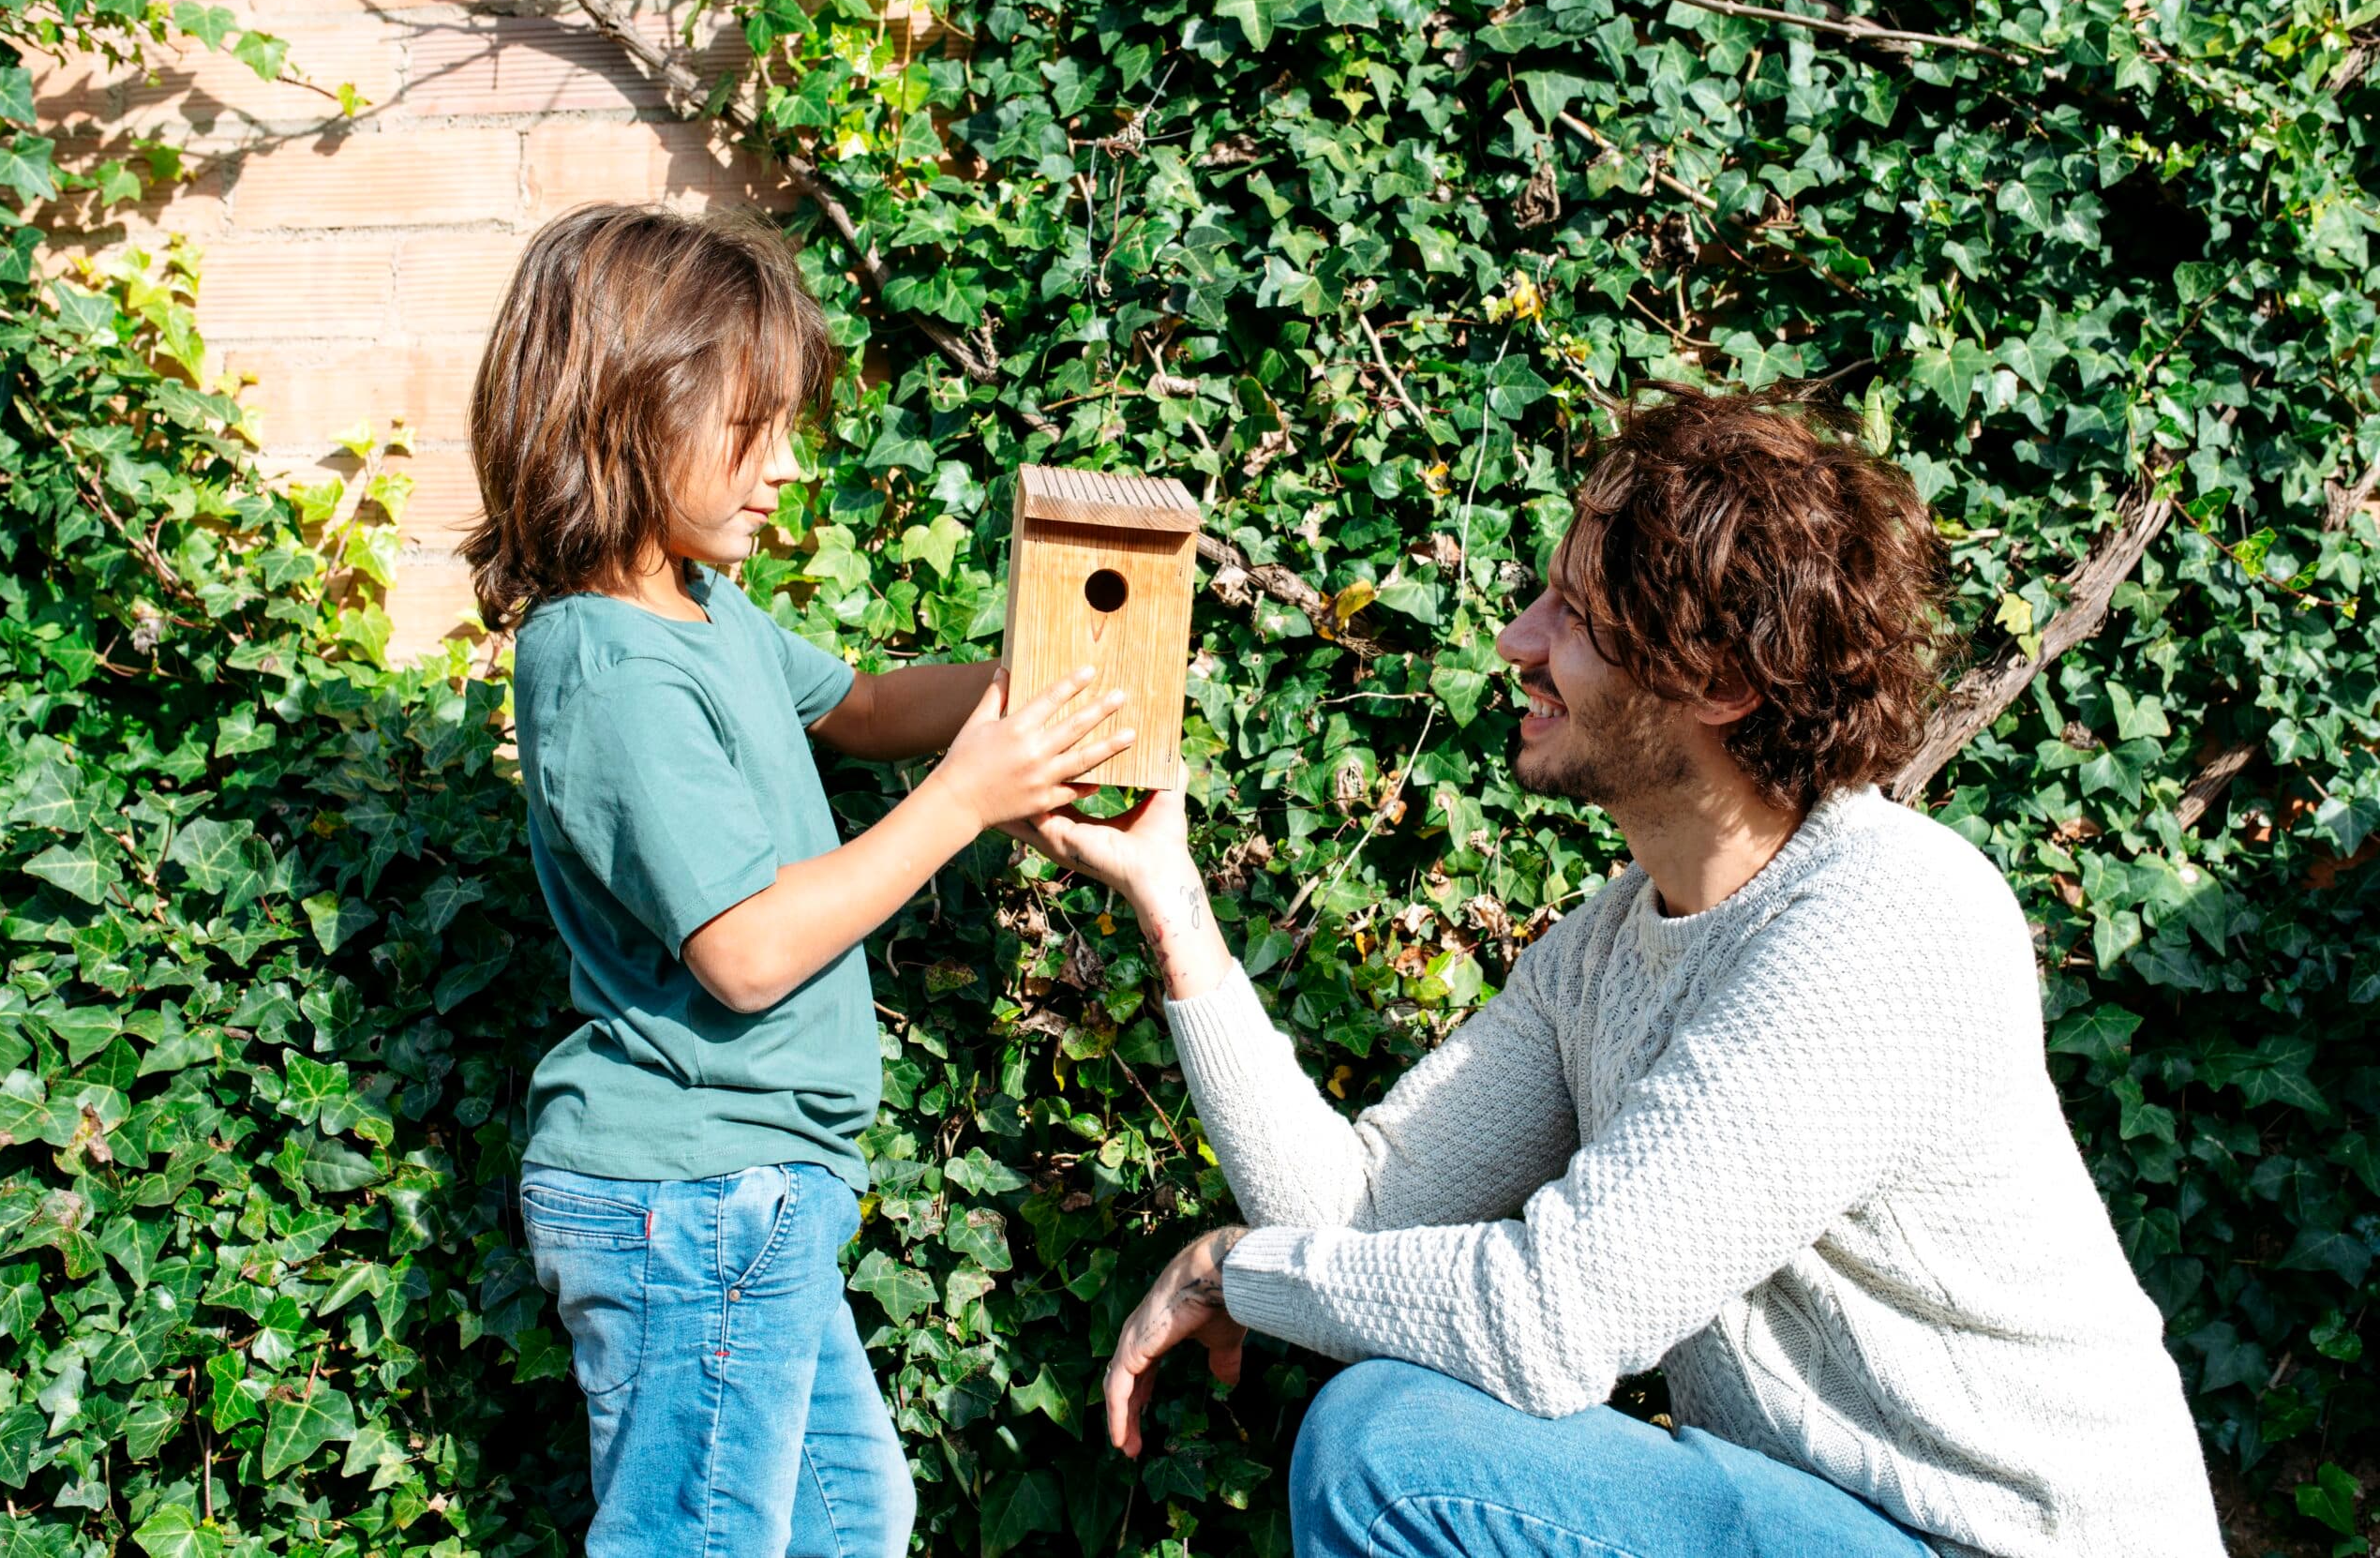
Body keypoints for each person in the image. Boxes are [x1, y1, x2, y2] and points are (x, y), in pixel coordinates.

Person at [1011, 383, 2225, 1558]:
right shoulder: (1605, 949)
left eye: (1577, 617)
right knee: (1397, 1421)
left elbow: (1548, 1320)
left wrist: (1242, 1270)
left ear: (1724, 679)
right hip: (1838, 1529)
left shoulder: (1887, 915)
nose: (1516, 642)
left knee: (1397, 1447)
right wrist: (1169, 897)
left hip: (1995, 1545)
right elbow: (1357, 1216)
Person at [461, 201, 1136, 1557]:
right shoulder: (610, 662)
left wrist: (1057, 689)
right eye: (749, 428)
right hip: (691, 1193)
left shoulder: (705, 615)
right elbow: (749, 949)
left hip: (752, 1190)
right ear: (623, 412)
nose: (782, 468)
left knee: (849, 1520)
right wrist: (967, 801)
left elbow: (873, 706)